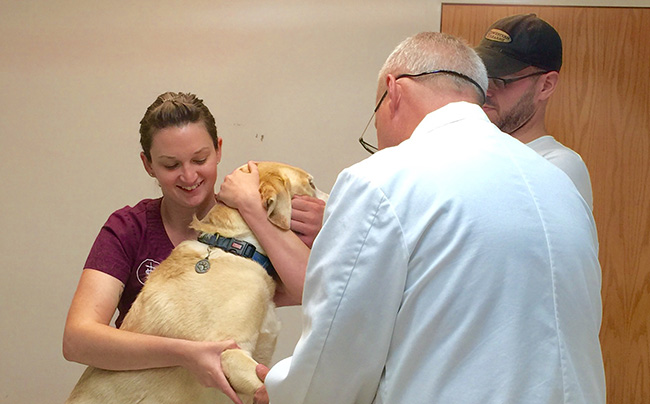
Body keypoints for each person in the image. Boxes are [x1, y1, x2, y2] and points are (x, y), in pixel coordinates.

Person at [254, 32, 605, 403]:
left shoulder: (382, 179)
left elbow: (335, 356)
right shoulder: (559, 183)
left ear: (393, 92)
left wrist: (280, 392)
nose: (381, 138)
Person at [62, 92, 321, 403]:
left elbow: (318, 293)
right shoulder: (129, 228)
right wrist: (186, 354)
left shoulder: (252, 234)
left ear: (218, 149)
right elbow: (77, 340)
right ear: (148, 165)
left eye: (200, 159)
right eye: (171, 165)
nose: (189, 175)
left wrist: (254, 210)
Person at [475, 14, 594, 210]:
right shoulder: (474, 151)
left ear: (546, 86)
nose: (486, 90)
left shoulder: (558, 168)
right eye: (483, 76)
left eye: (501, 80)